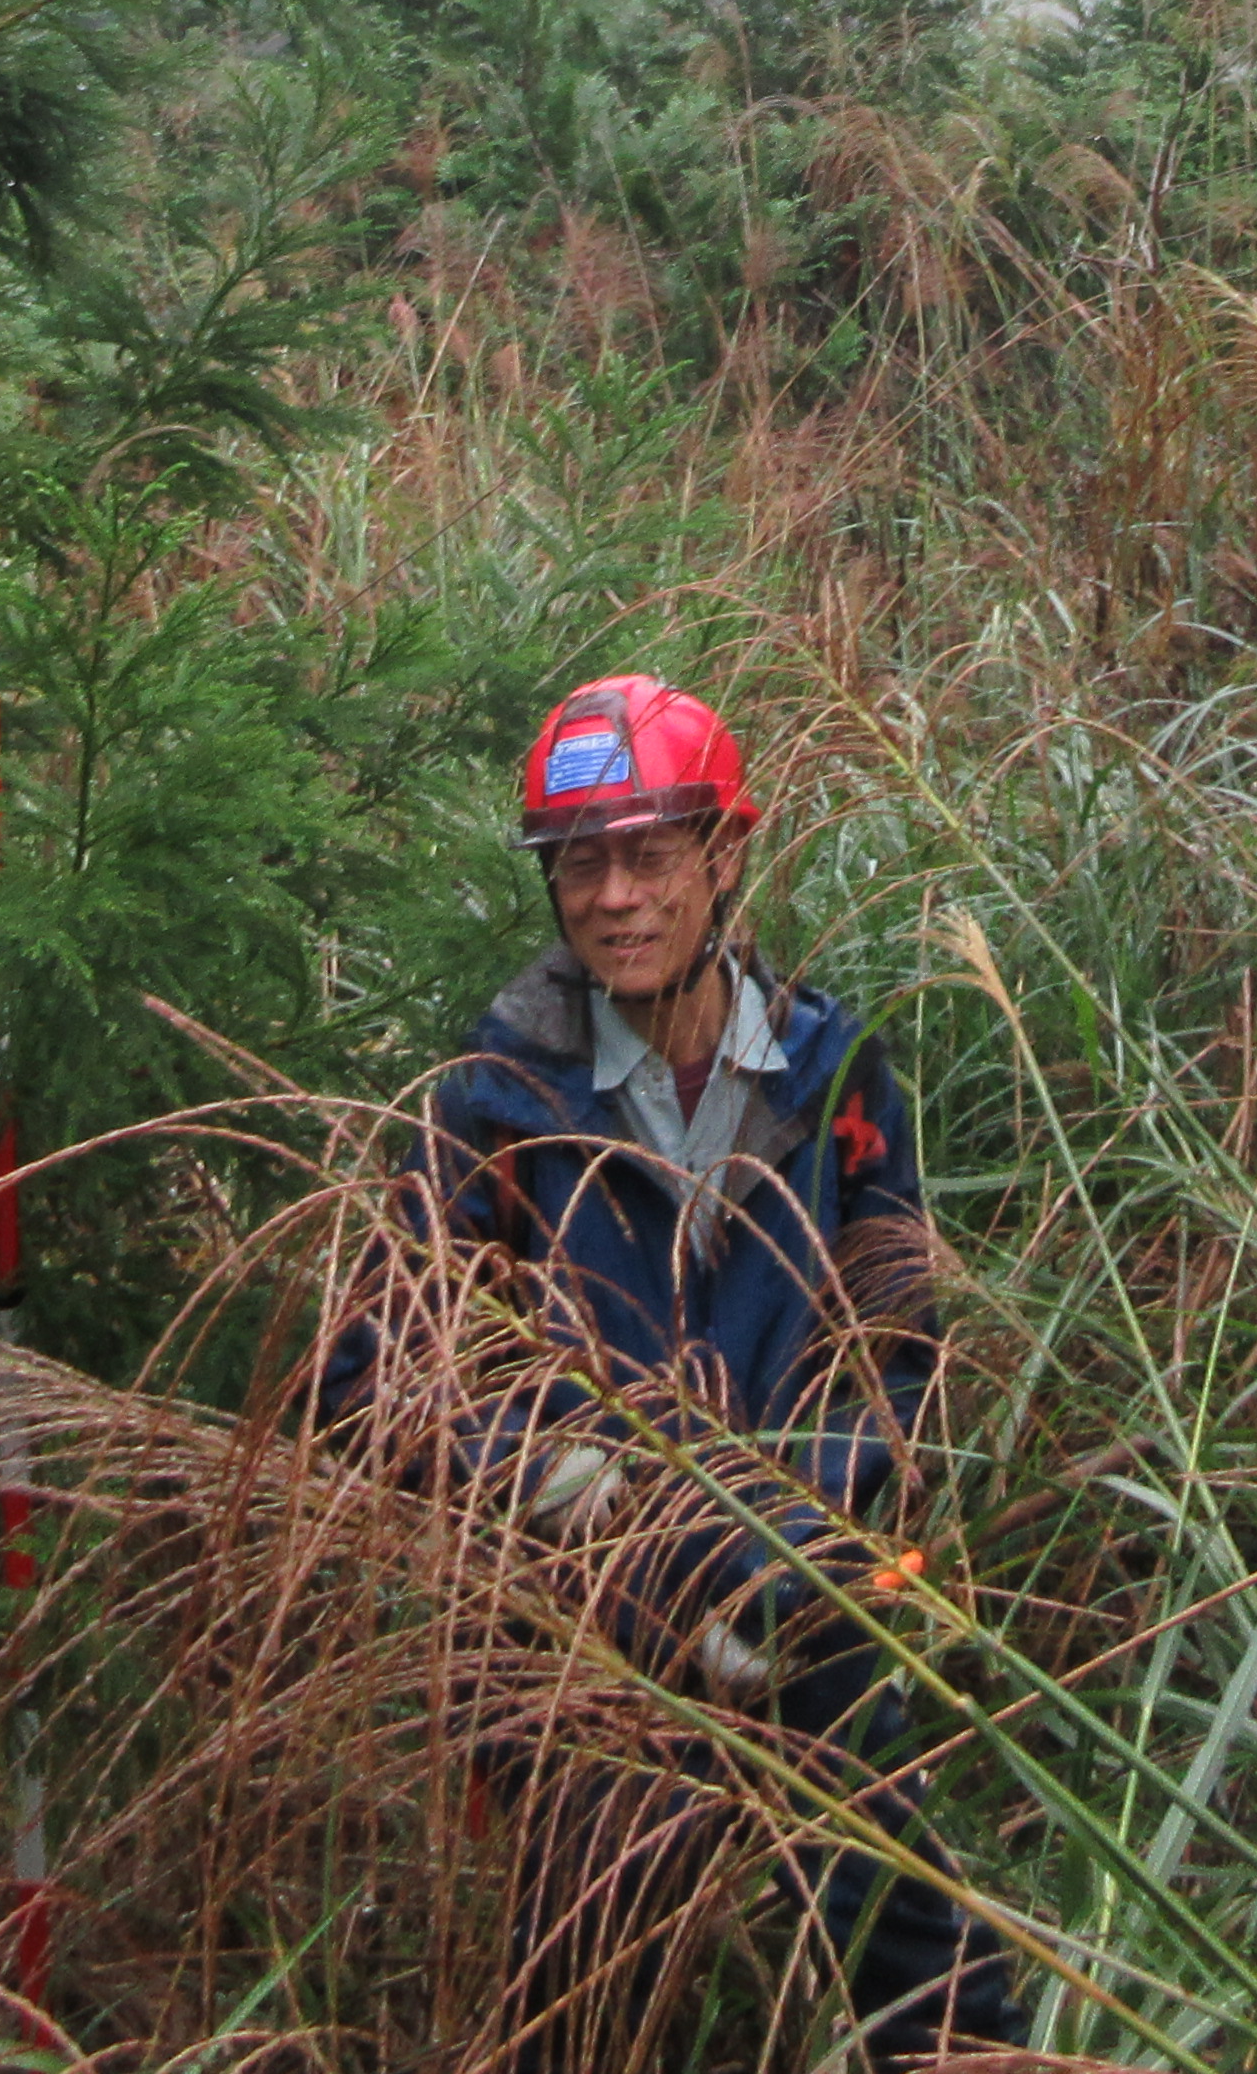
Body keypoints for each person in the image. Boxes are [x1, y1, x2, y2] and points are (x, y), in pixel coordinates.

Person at [338, 673, 1014, 2068]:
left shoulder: (834, 1078)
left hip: (799, 1606)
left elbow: (895, 1351)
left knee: (921, 1964)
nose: (616, 897)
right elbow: (382, 1370)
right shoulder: (497, 1103)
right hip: (588, 1634)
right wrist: (586, 1494)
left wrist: (801, 1539)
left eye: (651, 854)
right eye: (580, 861)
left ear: (725, 854)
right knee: (587, 2002)